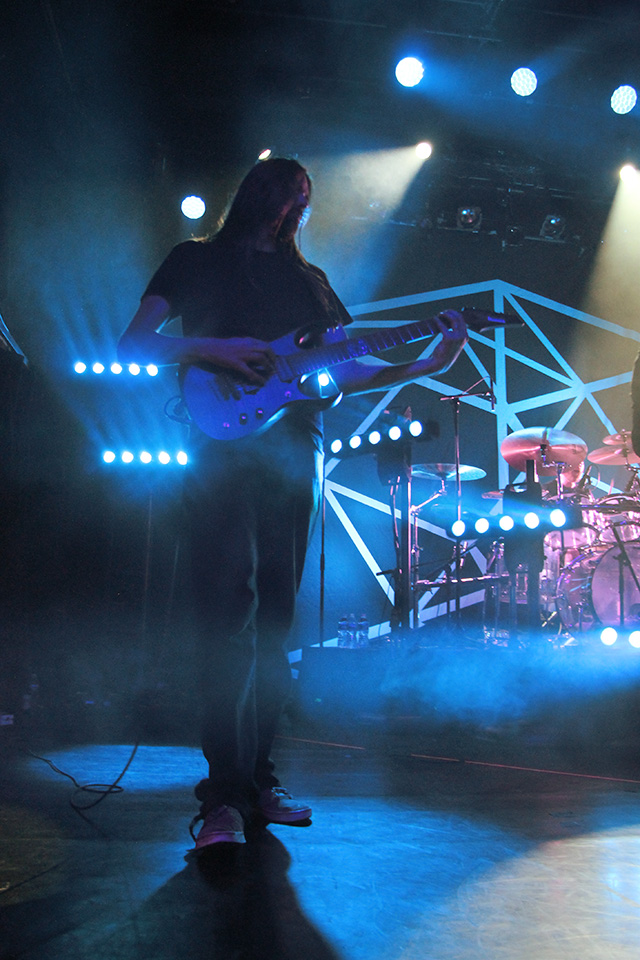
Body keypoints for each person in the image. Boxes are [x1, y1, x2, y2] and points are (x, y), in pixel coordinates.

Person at [118, 157, 468, 852]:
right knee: (227, 619)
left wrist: (427, 363)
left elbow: (347, 361)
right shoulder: (193, 260)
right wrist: (215, 348)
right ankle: (220, 800)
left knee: (276, 621)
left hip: (295, 455)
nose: (292, 208)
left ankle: (259, 782)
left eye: (302, 199)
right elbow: (134, 342)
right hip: (219, 447)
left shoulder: (310, 282)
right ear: (255, 192)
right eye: (283, 192)